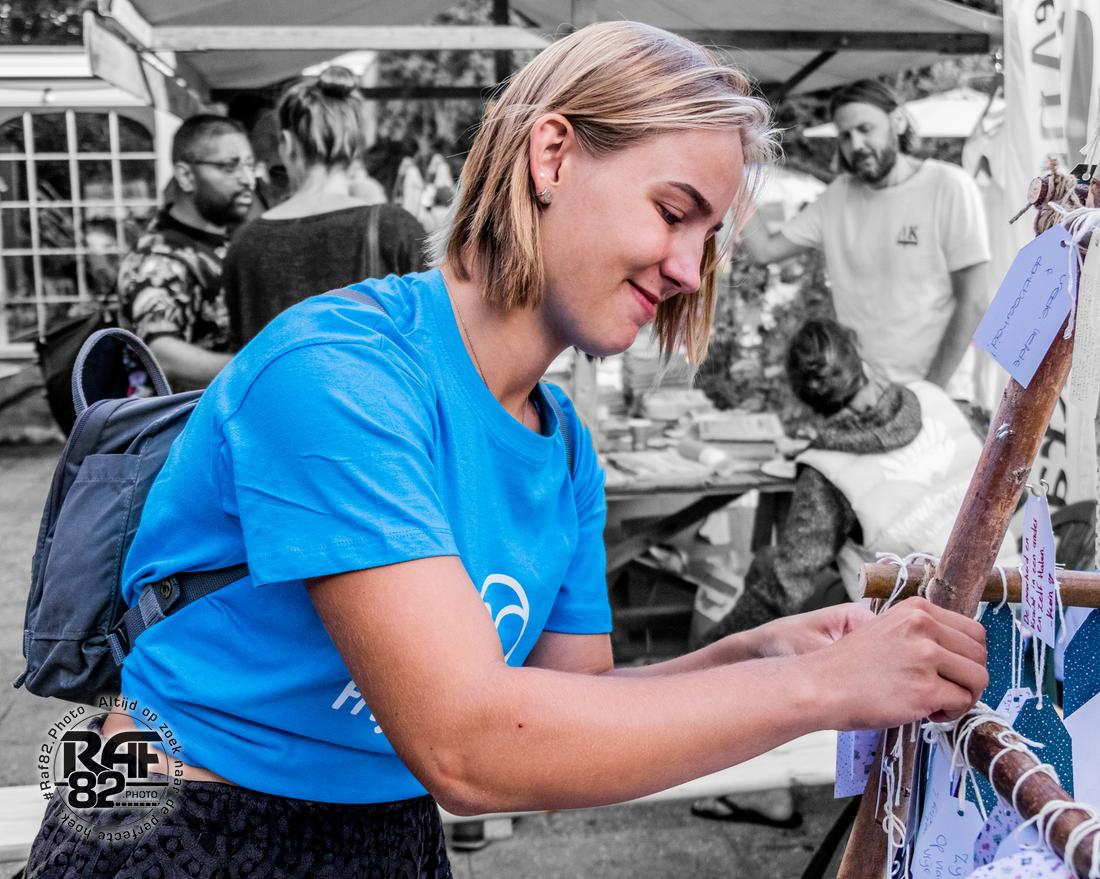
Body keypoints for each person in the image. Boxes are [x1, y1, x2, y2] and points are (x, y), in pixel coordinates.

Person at [28, 23, 988, 878]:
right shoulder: (338, 370)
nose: (691, 270)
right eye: (673, 211)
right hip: (182, 823)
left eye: (709, 238)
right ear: (553, 155)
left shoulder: (561, 447)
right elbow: (471, 745)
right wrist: (817, 688)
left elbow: (569, 712)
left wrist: (756, 652)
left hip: (386, 830)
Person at [699, 318, 1018, 644]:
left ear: (805, 397)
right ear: (859, 355)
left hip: (920, 635)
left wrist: (705, 654)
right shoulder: (934, 397)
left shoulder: (826, 470)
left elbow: (786, 587)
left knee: (769, 566)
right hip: (1011, 598)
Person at [739, 80, 991, 402]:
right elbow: (764, 250)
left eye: (865, 129)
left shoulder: (948, 186)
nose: (856, 144)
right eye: (845, 135)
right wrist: (731, 170)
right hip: (864, 397)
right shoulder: (837, 197)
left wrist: (930, 394)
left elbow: (973, 300)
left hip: (941, 395)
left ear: (898, 121)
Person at [222, 66, 426, 348]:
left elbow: (244, 353)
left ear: (287, 144)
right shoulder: (395, 228)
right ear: (354, 146)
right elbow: (430, 334)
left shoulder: (246, 243)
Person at [117, 114, 255, 391]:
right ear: (186, 176)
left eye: (250, 165)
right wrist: (259, 369)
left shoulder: (224, 241)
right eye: (229, 167)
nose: (247, 179)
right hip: (177, 418)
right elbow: (163, 355)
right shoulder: (159, 258)